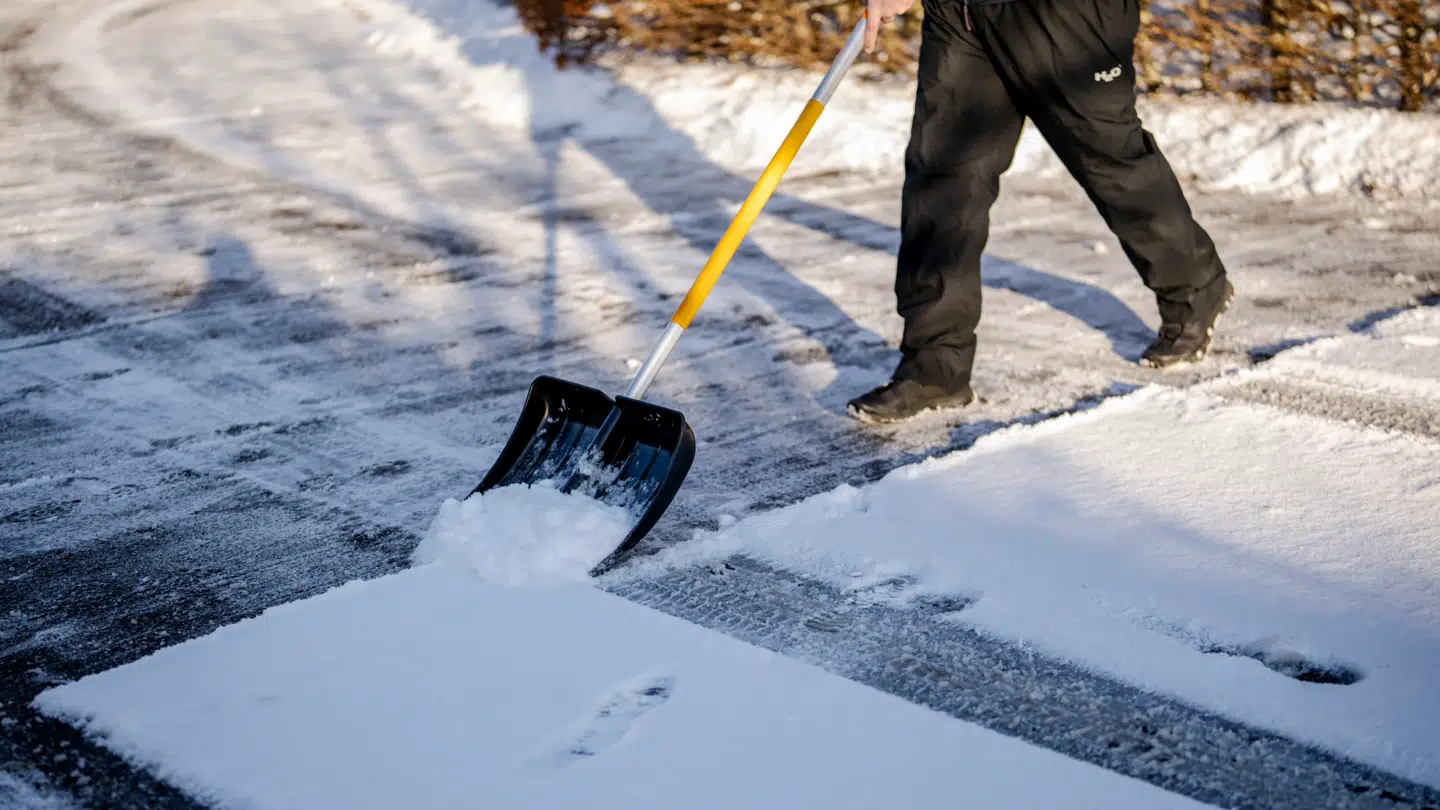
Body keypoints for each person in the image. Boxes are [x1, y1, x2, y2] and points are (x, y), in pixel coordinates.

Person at [847, 0, 1234, 424]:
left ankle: (1194, 286)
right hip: (961, 14)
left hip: (1062, 14)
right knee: (944, 179)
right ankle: (934, 365)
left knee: (1108, 161)